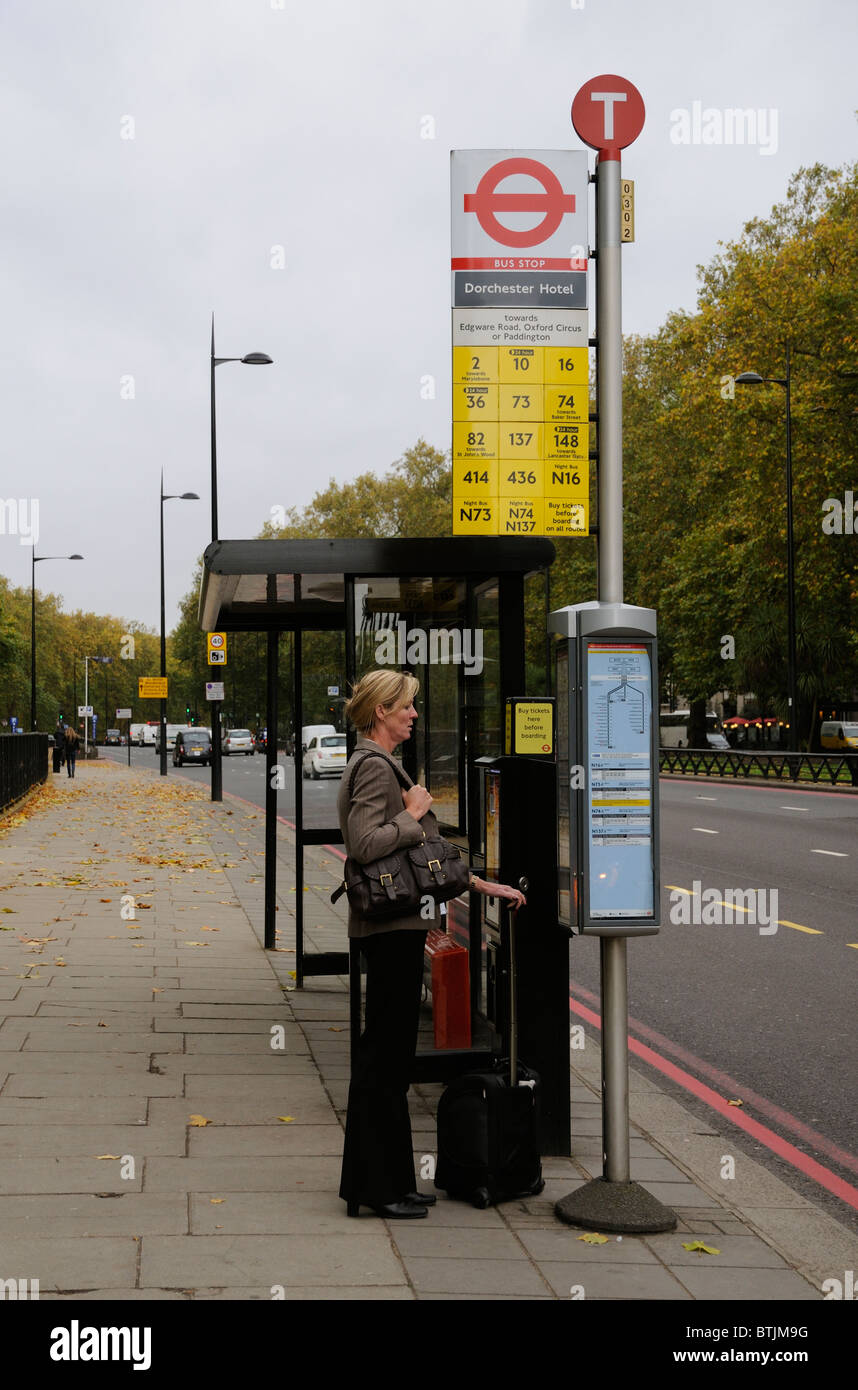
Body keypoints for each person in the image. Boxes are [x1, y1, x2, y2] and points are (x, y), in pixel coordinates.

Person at [337, 669, 525, 1220]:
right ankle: (374, 1188)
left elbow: (426, 858)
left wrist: (479, 884)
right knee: (382, 1061)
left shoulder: (381, 763)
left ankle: (388, 1181)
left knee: (389, 1061)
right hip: (390, 931)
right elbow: (366, 844)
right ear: (380, 713)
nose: (414, 714)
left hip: (397, 929)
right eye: (406, 707)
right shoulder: (373, 767)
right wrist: (413, 812)